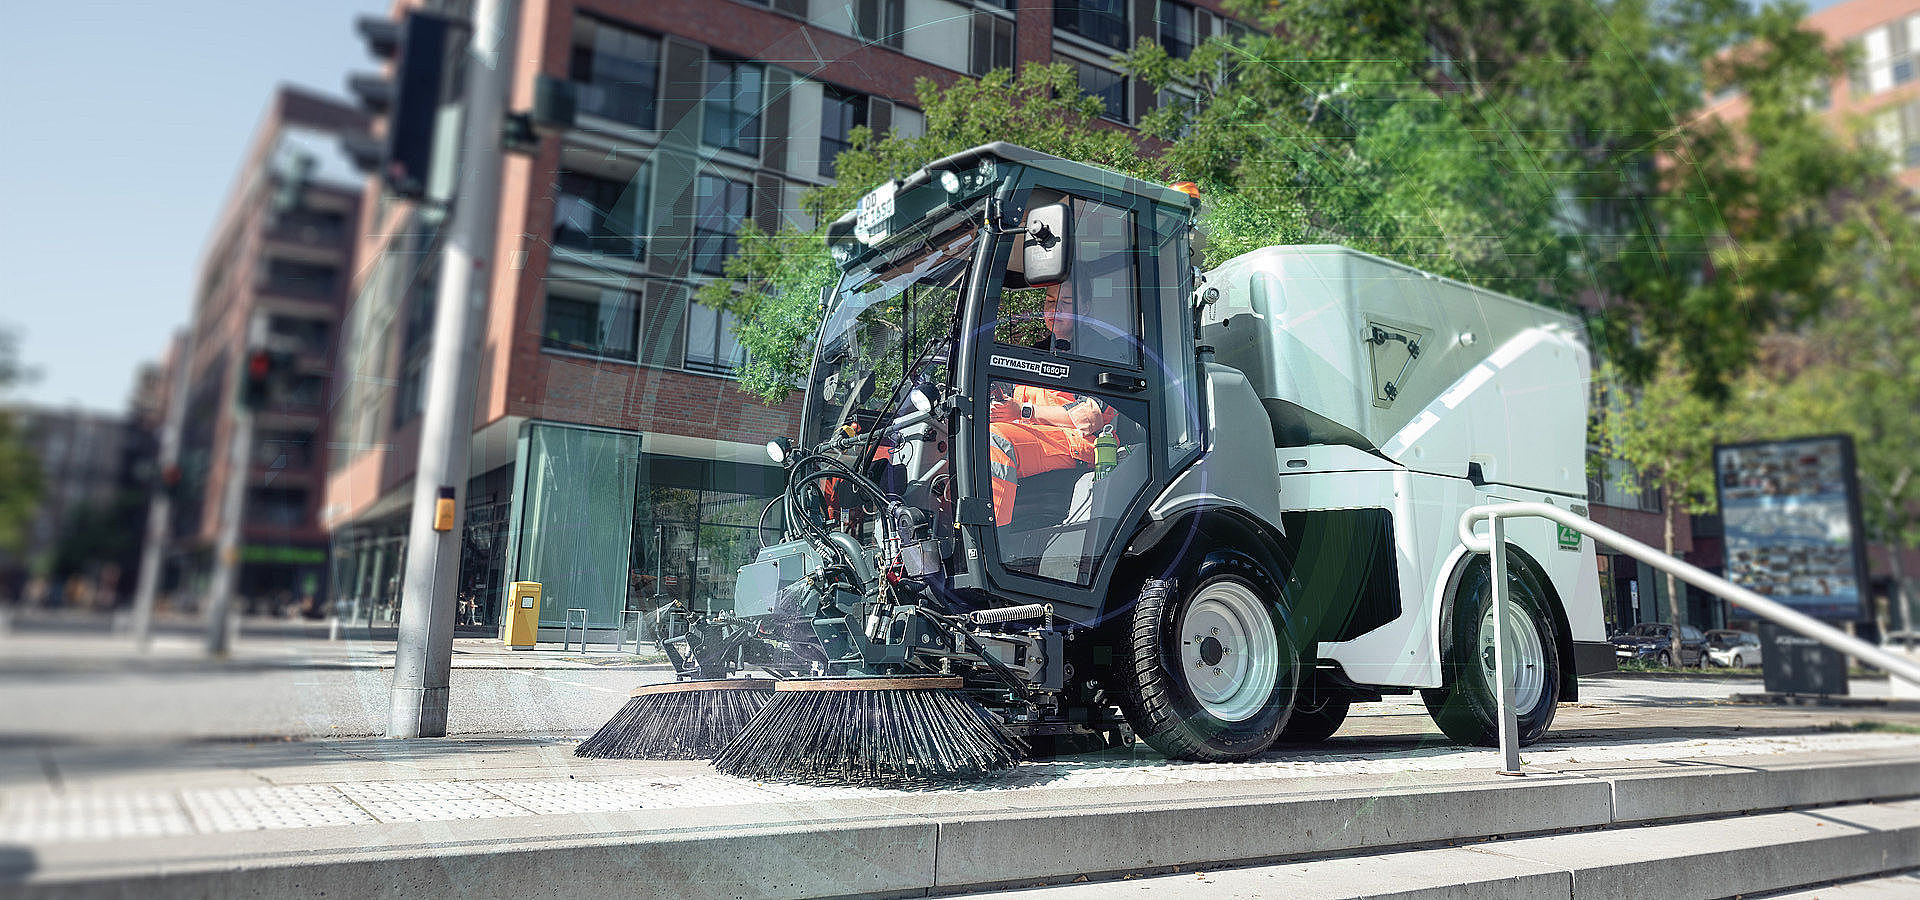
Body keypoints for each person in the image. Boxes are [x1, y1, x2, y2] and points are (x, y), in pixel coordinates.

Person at [987, 282, 1116, 527]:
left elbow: (1091, 416)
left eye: (1065, 303)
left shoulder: (1099, 351)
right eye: (1049, 302)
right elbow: (1016, 405)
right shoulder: (1035, 353)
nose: (1054, 309)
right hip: (1037, 438)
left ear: (1085, 308)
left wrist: (1024, 411)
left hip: (1082, 444)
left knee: (996, 440)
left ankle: (991, 540)